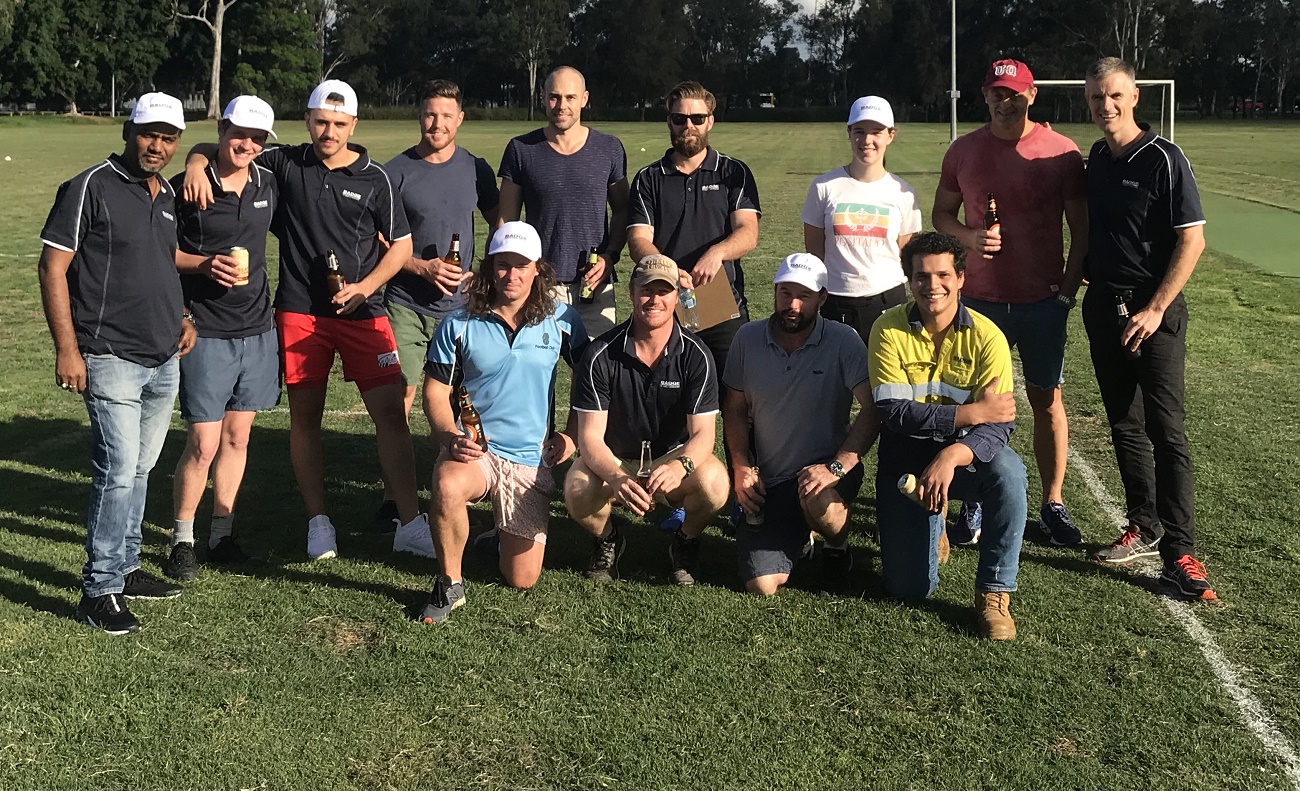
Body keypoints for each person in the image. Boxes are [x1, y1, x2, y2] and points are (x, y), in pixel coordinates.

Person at [183, 80, 429, 561]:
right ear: (307, 121)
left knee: (391, 417)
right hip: (300, 313)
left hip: (363, 312)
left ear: (353, 126)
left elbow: (400, 246)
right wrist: (195, 161)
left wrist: (366, 287)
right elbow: (219, 148)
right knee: (305, 421)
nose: (328, 132)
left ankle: (409, 521)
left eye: (339, 124)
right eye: (321, 122)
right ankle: (319, 524)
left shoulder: (374, 177)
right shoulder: (285, 162)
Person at [38, 93, 197, 634]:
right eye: (149, 133)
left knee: (139, 469)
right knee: (116, 472)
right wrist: (67, 348)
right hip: (109, 355)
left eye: (169, 137)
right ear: (129, 131)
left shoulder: (167, 191)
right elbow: (53, 267)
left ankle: (127, 568)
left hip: (162, 355)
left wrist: (183, 314)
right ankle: (99, 588)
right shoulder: (91, 185)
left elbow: (160, 259)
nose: (158, 145)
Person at [932, 58, 1088, 551]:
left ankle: (1053, 502)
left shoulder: (1061, 152)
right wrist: (969, 236)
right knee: (975, 405)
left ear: (1032, 94)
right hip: (978, 300)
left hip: (1042, 300)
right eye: (998, 93)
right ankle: (975, 500)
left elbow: (1080, 229)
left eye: (1015, 93)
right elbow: (941, 215)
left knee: (1047, 400)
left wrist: (1066, 290)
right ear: (985, 95)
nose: (1006, 101)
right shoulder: (964, 150)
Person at [1082, 57, 1215, 601]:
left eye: (1114, 96)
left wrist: (1157, 308)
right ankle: (1144, 523)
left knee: (1166, 430)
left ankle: (1180, 549)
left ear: (1135, 97)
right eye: (1095, 99)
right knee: (1124, 425)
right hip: (1103, 309)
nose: (1105, 107)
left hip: (1153, 315)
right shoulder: (1096, 157)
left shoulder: (1165, 158)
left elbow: (1192, 240)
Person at [420, 222, 589, 624]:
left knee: (522, 579)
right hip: (478, 450)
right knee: (446, 482)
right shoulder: (458, 324)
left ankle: (496, 532)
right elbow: (434, 392)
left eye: (521, 266)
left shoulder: (563, 319)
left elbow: (591, 382)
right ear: (488, 268)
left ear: (537, 270)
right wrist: (448, 436)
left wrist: (571, 435)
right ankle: (449, 583)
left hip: (530, 459)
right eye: (502, 265)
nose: (511, 275)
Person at [868, 232, 1027, 640]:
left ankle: (994, 594)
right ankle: (933, 524)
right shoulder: (887, 329)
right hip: (906, 460)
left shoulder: (988, 336)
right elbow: (893, 412)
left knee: (1009, 474)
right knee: (909, 589)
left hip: (962, 458)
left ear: (960, 279)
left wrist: (954, 454)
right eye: (921, 276)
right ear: (909, 281)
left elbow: (1001, 423)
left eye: (942, 275)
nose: (931, 285)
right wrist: (971, 412)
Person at [371, 79, 500, 532]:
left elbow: (499, 223)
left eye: (447, 115)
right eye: (430, 114)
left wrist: (490, 272)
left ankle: (465, 483)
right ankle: (394, 498)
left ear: (460, 119)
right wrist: (422, 268)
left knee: (465, 400)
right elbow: (381, 243)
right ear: (419, 116)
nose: (437, 123)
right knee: (402, 398)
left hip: (461, 310)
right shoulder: (394, 172)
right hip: (406, 303)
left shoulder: (476, 169)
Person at [164, 96, 281, 581]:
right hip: (206, 330)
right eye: (239, 134)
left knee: (238, 438)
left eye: (257, 139)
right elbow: (160, 252)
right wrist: (202, 265)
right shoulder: (188, 187)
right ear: (221, 127)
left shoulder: (267, 181)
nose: (247, 145)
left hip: (257, 330)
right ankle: (181, 539)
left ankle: (222, 533)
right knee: (203, 444)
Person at [563, 254, 730, 586]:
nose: (654, 300)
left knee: (715, 485)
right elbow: (590, 439)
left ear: (676, 297)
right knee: (576, 487)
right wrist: (615, 477)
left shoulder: (697, 355)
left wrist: (680, 466)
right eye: (646, 290)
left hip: (671, 456)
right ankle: (607, 539)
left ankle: (685, 540)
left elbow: (703, 436)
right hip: (617, 458)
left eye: (664, 291)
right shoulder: (600, 354)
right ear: (631, 292)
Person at [721, 254, 880, 596]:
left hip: (829, 470)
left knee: (817, 496)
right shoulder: (746, 338)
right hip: (772, 479)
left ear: (822, 297)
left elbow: (872, 409)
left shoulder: (844, 340)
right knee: (761, 585)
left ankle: (837, 549)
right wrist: (742, 465)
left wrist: (836, 467)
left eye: (803, 296)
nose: (792, 305)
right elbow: (734, 409)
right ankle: (800, 535)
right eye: (785, 293)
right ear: (775, 291)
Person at [627, 80, 761, 380]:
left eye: (697, 118)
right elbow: (638, 241)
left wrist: (718, 253)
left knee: (736, 405)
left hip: (723, 306)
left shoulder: (732, 172)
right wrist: (668, 269)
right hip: (664, 304)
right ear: (669, 122)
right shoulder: (648, 178)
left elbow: (748, 231)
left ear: (710, 121)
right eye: (679, 118)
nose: (689, 125)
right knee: (670, 407)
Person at [498, 66, 629, 337]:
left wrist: (610, 256)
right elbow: (505, 221)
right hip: (538, 283)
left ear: (584, 99)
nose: (562, 105)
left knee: (594, 371)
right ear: (543, 97)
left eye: (570, 97)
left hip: (594, 284)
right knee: (536, 371)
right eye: (555, 97)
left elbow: (623, 210)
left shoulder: (609, 148)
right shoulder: (520, 149)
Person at [802, 95, 921, 345]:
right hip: (836, 302)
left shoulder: (904, 192)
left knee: (887, 382)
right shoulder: (823, 186)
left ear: (891, 135)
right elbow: (815, 253)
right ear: (849, 133)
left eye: (876, 132)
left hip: (888, 302)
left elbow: (906, 255)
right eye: (859, 131)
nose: (867, 140)